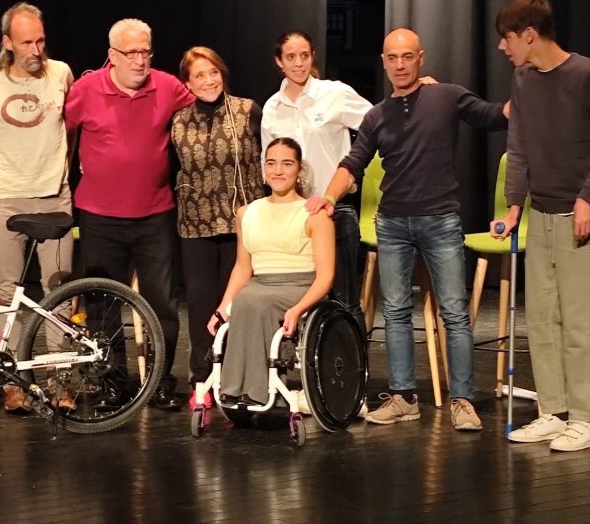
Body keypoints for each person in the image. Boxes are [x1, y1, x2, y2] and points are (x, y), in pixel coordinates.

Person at [309, 27, 508, 431]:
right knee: (396, 313)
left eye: (407, 57)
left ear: (421, 58)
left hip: (440, 219)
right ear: (383, 62)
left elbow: (490, 116)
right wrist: (328, 198)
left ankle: (463, 400)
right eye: (392, 58)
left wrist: (531, 95)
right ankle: (403, 397)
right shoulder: (376, 115)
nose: (399, 65)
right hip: (394, 222)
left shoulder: (446, 95)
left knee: (454, 312)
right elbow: (353, 163)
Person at [65, 18, 195, 411]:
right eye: (131, 53)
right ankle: (112, 384)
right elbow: (60, 136)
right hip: (99, 215)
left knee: (162, 304)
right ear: (112, 56)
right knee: (103, 305)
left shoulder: (168, 86)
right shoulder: (86, 90)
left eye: (145, 51)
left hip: (154, 214)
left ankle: (158, 382)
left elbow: (204, 110)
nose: (140, 60)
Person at [490, 0, 590, 451]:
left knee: (578, 321)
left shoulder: (584, 75)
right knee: (543, 321)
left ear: (529, 34)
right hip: (541, 215)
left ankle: (585, 416)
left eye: (506, 38)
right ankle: (553, 410)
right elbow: (520, 144)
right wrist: (513, 205)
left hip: (577, 214)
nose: (502, 47)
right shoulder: (523, 80)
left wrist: (588, 196)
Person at [0, 2, 76, 414]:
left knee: (59, 288)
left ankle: (61, 378)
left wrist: (63, 173)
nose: (36, 49)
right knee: (8, 290)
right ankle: (13, 381)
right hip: (6, 194)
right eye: (27, 42)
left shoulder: (61, 75)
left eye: (41, 40)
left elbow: (73, 129)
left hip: (53, 194)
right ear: (8, 43)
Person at [206, 138, 334, 405]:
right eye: (271, 163)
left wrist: (298, 309)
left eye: (287, 164)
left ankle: (257, 391)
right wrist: (222, 308)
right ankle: (236, 388)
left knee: (254, 301)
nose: (278, 171)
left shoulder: (314, 215)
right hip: (259, 285)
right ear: (264, 169)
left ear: (299, 170)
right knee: (246, 300)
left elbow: (325, 277)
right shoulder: (247, 213)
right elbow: (242, 268)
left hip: (300, 286)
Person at [172, 46, 264, 410]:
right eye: (199, 75)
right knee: (200, 305)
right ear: (188, 82)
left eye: (213, 72)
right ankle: (201, 379)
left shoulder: (247, 110)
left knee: (237, 304)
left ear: (222, 73)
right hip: (195, 224)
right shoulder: (178, 120)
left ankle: (237, 377)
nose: (208, 80)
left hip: (241, 225)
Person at [261, 31, 372, 334]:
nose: (298, 64)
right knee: (299, 300)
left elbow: (378, 122)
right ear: (279, 61)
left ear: (313, 57)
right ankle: (310, 374)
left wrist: (415, 93)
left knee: (344, 299)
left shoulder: (334, 93)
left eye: (304, 56)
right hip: (294, 216)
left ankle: (351, 374)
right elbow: (268, 164)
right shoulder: (272, 107)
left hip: (334, 210)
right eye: (291, 57)